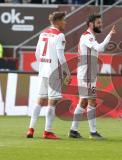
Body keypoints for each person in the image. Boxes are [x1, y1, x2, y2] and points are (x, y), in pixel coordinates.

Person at [69, 14, 116, 139]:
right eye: (98, 22)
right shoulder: (87, 37)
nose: (101, 25)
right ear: (91, 24)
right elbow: (100, 48)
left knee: (83, 101)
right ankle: (93, 132)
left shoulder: (89, 37)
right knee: (91, 101)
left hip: (87, 73)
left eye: (101, 22)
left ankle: (73, 130)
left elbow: (100, 48)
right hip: (87, 75)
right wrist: (110, 35)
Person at [26, 11, 71, 139]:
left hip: (43, 71)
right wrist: (67, 73)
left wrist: (43, 65)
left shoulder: (43, 34)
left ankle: (31, 129)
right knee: (52, 102)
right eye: (63, 20)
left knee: (39, 100)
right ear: (57, 22)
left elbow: (37, 53)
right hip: (53, 73)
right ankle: (48, 131)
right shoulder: (60, 35)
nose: (65, 22)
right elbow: (61, 57)